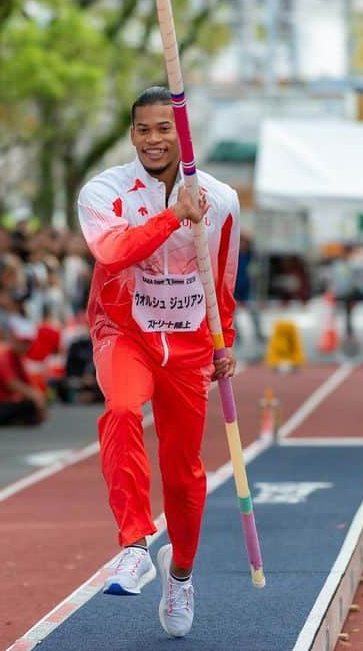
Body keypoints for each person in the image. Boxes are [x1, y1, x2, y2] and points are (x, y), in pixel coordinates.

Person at [76, 86, 240, 638]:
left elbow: (222, 278)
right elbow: (113, 252)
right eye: (143, 129)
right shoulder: (104, 192)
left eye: (164, 129)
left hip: (189, 343)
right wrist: (172, 218)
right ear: (131, 134)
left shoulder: (223, 200)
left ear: (183, 134)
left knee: (184, 471)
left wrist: (226, 342)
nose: (153, 139)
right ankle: (133, 545)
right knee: (121, 409)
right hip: (124, 330)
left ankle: (182, 573)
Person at [0, 316, 47, 426]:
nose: (25, 346)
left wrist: (37, 396)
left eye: (27, 343)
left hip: (9, 403)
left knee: (31, 404)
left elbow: (27, 383)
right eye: (22, 342)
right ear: (13, 339)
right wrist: (35, 396)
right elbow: (11, 383)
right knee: (30, 404)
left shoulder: (17, 359)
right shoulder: (2, 357)